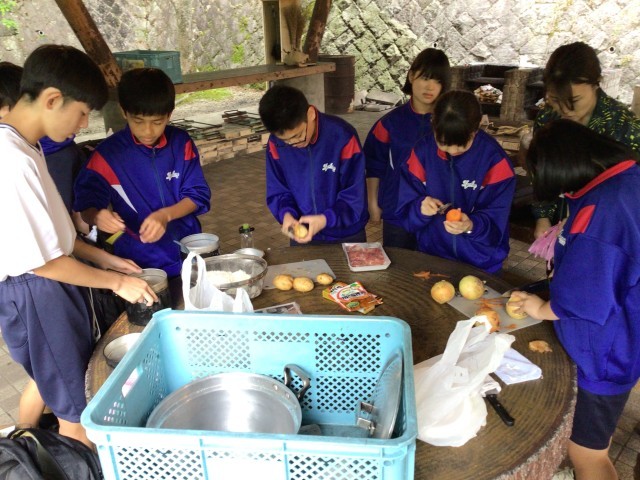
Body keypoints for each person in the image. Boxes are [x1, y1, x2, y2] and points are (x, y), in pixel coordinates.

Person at [0, 44, 157, 448]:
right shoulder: (10, 159)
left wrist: (108, 260)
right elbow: (42, 262)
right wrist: (115, 283)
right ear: (53, 99)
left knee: (74, 390)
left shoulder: (27, 146)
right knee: (78, 413)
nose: (84, 124)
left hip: (52, 285)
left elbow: (59, 237)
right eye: (83, 112)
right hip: (38, 292)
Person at [509, 120, 640, 480]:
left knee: (587, 453)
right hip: (624, 330)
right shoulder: (622, 180)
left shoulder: (605, 212)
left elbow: (587, 297)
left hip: (606, 354)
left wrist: (541, 307)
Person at [74, 68, 211, 281]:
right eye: (138, 121)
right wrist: (98, 216)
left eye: (157, 122)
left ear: (169, 114)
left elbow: (198, 195)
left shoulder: (180, 143)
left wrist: (165, 215)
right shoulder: (107, 155)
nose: (148, 131)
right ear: (124, 112)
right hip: (139, 261)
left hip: (188, 250)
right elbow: (86, 206)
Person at [396, 90, 516, 273]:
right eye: (443, 144)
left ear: (476, 128)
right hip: (432, 256)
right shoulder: (422, 153)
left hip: (480, 262)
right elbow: (405, 214)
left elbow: (495, 227)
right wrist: (420, 209)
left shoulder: (495, 161)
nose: (452, 152)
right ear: (433, 125)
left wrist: (471, 225)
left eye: (461, 146)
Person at [531, 41, 640, 240]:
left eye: (574, 101)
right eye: (556, 100)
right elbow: (543, 172)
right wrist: (543, 217)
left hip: (602, 230)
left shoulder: (624, 126)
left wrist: (580, 217)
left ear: (596, 83)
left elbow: (631, 191)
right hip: (557, 224)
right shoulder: (547, 119)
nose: (565, 111)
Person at [258, 84, 369, 244]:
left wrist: (325, 219)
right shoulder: (276, 144)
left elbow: (354, 195)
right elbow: (278, 190)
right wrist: (286, 214)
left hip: (346, 233)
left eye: (298, 135)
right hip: (303, 234)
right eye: (286, 140)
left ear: (310, 114)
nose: (293, 143)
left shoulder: (342, 136)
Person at [363, 48, 451, 249]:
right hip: (397, 212)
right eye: (425, 77)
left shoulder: (448, 124)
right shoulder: (389, 123)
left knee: (434, 265)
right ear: (411, 76)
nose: (430, 86)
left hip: (438, 212)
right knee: (398, 263)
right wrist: (373, 203)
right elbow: (374, 165)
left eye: (438, 81)